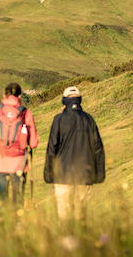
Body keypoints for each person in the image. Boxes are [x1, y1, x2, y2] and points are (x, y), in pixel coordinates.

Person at [43, 86, 106, 221]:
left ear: (64, 100)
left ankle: (65, 239)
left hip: (63, 176)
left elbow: (52, 149)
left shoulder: (58, 119)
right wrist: (99, 174)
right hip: (85, 175)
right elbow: (98, 148)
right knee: (81, 215)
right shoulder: (89, 119)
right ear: (80, 100)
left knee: (64, 215)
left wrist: (48, 174)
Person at [0, 82, 39, 207]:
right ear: (20, 95)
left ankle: (3, 224)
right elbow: (33, 143)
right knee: (18, 201)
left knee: (1, 201)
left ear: (4, 94)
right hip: (19, 164)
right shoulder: (26, 113)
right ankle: (17, 225)